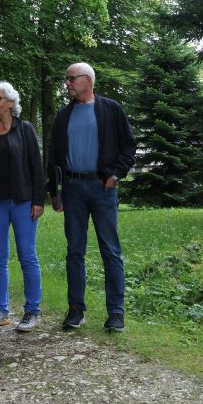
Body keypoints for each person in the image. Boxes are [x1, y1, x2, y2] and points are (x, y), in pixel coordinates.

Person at [46, 62, 135, 332]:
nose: (68, 84)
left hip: (102, 188)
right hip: (72, 189)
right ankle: (76, 309)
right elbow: (53, 155)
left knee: (111, 251)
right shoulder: (63, 115)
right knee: (74, 251)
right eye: (67, 79)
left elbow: (128, 145)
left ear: (88, 80)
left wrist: (116, 174)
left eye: (72, 79)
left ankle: (116, 313)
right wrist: (55, 191)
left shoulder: (110, 109)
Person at [0, 81, 45, 332]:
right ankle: (1, 310)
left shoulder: (25, 130)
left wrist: (38, 200)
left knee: (27, 255)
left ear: (11, 103)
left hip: (23, 202)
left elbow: (37, 167)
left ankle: (32, 310)